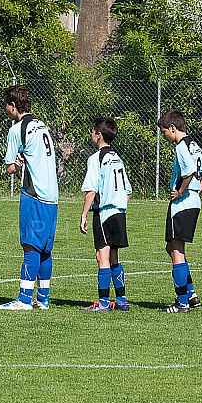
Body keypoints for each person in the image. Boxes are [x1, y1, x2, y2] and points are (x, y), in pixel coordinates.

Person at [0, 85, 58, 311]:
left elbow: (10, 167)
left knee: (30, 246)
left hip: (35, 194)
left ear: (13, 107)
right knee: (45, 249)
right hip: (52, 195)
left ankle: (23, 299)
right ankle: (43, 298)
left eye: (6, 105)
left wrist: (17, 163)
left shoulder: (17, 129)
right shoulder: (42, 126)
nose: (5, 109)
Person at [158, 110, 202, 313]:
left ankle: (181, 302)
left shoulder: (182, 146)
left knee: (176, 251)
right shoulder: (193, 144)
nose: (164, 135)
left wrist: (181, 191)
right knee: (172, 248)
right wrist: (196, 190)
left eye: (164, 131)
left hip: (182, 204)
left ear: (173, 128)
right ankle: (191, 295)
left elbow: (190, 170)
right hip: (193, 202)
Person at [79, 118, 132, 311]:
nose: (91, 134)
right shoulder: (118, 158)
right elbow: (128, 191)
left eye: (92, 131)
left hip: (104, 211)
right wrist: (120, 209)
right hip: (119, 211)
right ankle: (121, 300)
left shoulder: (96, 158)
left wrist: (84, 215)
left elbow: (91, 191)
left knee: (102, 255)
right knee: (114, 256)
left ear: (99, 135)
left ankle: (102, 303)